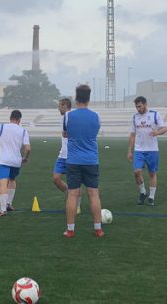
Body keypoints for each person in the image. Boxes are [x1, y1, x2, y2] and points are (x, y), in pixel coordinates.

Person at [63, 84, 104, 238]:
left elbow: (65, 132)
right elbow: (94, 132)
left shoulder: (68, 116)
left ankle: (70, 230)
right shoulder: (96, 116)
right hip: (91, 160)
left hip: (73, 160)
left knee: (72, 195)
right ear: (88, 98)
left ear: (76, 97)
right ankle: (98, 229)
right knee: (94, 194)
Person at [0, 109, 30, 217]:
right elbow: (28, 148)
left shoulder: (2, 127)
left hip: (4, 160)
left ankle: (3, 210)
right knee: (12, 180)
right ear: (19, 120)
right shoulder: (23, 131)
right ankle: (8, 204)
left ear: (10, 118)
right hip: (16, 161)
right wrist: (25, 158)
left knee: (3, 183)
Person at [128, 96, 167, 206]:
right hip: (139, 149)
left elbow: (164, 128)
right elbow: (132, 135)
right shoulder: (135, 117)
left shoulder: (154, 114)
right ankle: (142, 193)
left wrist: (157, 133)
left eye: (139, 106)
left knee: (152, 173)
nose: (138, 109)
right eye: (136, 107)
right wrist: (129, 150)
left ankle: (151, 197)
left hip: (152, 149)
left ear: (145, 104)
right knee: (136, 172)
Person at [52, 98, 72, 193]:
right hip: (62, 154)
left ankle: (77, 205)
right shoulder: (63, 118)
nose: (58, 108)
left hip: (72, 155)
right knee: (56, 178)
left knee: (73, 182)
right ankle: (72, 196)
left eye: (59, 106)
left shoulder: (72, 117)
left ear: (65, 106)